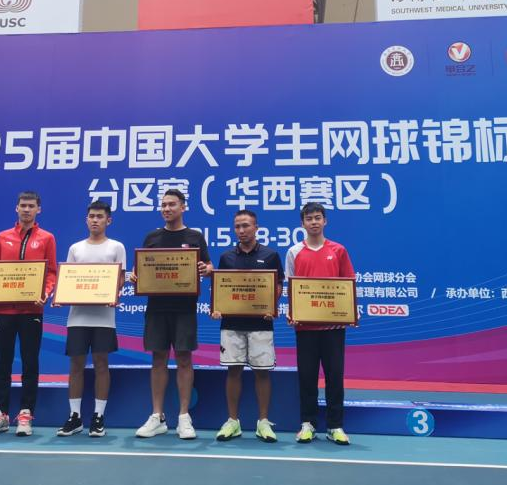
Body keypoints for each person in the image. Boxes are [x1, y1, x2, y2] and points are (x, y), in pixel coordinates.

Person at [131, 189, 213, 439]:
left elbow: (208, 265)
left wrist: (206, 269)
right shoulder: (152, 237)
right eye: (163, 205)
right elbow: (140, 268)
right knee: (158, 359)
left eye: (172, 204)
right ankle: (157, 416)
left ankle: (184, 417)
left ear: (183, 207)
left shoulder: (195, 237)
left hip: (184, 308)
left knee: (184, 359)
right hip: (157, 308)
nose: (166, 209)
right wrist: (135, 275)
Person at [0, 191, 57, 437]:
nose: (26, 209)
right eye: (23, 205)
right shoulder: (2, 237)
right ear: (16, 208)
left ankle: (25, 414)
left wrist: (45, 292)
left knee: (30, 362)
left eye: (31, 206)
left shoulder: (47, 238)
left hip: (32, 310)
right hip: (4, 310)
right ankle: (0, 414)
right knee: (2, 362)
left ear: (38, 210)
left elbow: (51, 272)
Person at [285, 202, 354, 446]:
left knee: (335, 376)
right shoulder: (294, 252)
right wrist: (293, 313)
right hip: (305, 328)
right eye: (309, 218)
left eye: (317, 218)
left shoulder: (338, 250)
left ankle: (335, 426)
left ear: (325, 221)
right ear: (302, 223)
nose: (314, 222)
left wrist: (350, 313)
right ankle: (308, 423)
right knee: (307, 377)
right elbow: (291, 286)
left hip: (334, 328)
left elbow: (348, 283)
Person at [212, 210, 284, 443]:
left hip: (261, 324)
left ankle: (263, 422)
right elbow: (221, 289)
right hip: (231, 324)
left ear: (256, 228)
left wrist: (272, 306)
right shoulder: (226, 257)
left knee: (262, 372)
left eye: (246, 226)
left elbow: (278, 285)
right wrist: (217, 308)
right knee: (233, 371)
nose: (241, 230)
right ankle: (233, 421)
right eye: (237, 226)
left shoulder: (270, 255)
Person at [56, 201, 126, 438]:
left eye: (100, 216)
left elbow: (120, 279)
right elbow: (68, 280)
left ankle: (98, 416)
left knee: (101, 364)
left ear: (109, 220)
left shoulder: (116, 247)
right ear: (86, 220)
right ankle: (75, 416)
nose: (95, 220)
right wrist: (62, 296)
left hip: (104, 318)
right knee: (76, 365)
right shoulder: (76, 248)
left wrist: (113, 294)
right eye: (91, 216)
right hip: (77, 317)